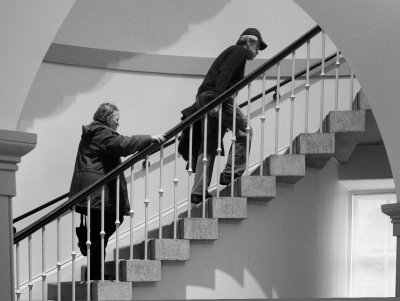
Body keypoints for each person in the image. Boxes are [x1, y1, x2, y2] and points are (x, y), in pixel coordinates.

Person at [69, 102, 164, 280]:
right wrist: (149, 138)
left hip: (91, 190)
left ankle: (93, 268)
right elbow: (123, 144)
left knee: (100, 231)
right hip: (97, 191)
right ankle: (95, 272)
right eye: (117, 119)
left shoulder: (94, 133)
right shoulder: (102, 133)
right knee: (105, 227)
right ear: (107, 118)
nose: (118, 123)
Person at [190, 28, 268, 204]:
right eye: (257, 47)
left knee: (209, 145)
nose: (257, 52)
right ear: (248, 41)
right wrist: (218, 101)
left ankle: (198, 191)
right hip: (216, 97)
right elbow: (225, 73)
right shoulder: (238, 51)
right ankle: (231, 173)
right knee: (245, 131)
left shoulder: (232, 51)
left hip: (204, 97)